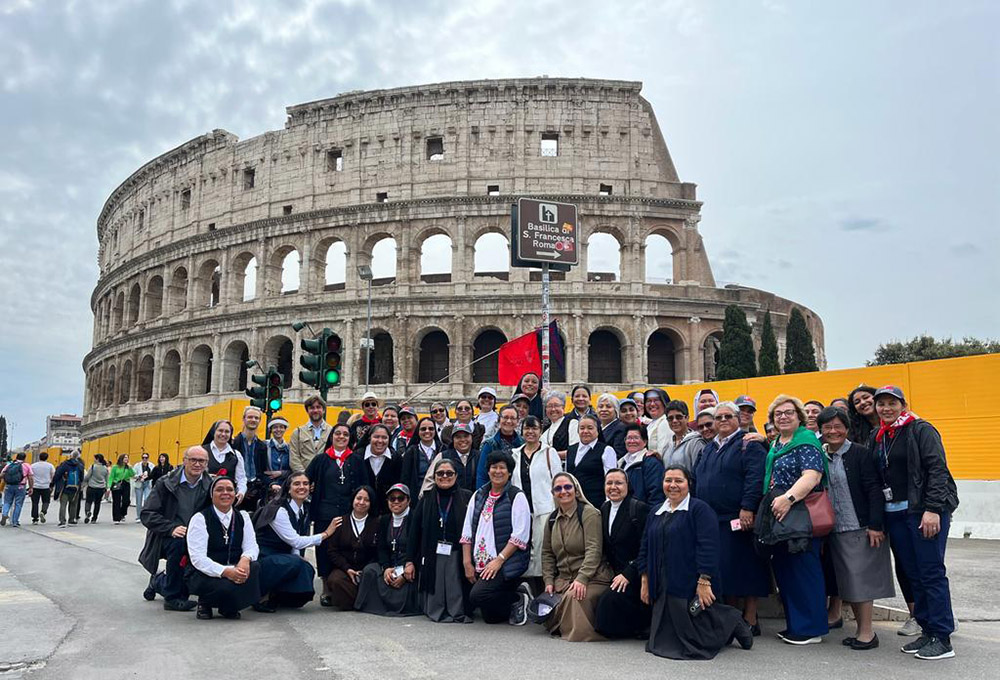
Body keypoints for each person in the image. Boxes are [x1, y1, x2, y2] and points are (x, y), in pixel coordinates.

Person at [871, 385, 958, 660]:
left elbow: (937, 469)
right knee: (912, 574)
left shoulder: (921, 429)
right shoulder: (880, 435)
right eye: (881, 404)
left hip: (922, 512)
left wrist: (932, 509)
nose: (886, 408)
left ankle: (942, 637)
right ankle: (927, 631)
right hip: (895, 514)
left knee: (931, 572)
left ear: (903, 404)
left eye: (891, 403)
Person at [639, 465, 754, 659]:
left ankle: (732, 619)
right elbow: (644, 546)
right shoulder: (656, 511)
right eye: (668, 481)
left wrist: (704, 580)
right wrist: (645, 579)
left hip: (691, 580)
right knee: (664, 637)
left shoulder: (700, 510)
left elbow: (708, 547)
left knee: (696, 640)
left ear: (689, 484)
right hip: (662, 579)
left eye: (679, 481)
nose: (673, 485)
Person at [816, 407, 894, 651]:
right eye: (827, 427)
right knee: (849, 582)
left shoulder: (860, 454)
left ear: (847, 429)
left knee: (863, 582)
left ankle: (867, 633)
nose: (833, 431)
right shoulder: (821, 455)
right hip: (836, 529)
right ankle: (862, 631)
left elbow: (873, 490)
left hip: (860, 527)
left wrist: (875, 525)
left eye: (838, 426)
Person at [693, 401, 769, 635]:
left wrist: (748, 507)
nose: (723, 421)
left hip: (738, 517)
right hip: (713, 519)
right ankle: (731, 618)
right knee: (725, 569)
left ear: (738, 419)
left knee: (748, 566)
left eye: (728, 416)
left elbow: (755, 477)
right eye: (719, 418)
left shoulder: (748, 444)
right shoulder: (708, 447)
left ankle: (751, 618)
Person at [759, 394, 829, 645]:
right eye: (778, 414)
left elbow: (812, 475)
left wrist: (788, 499)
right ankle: (796, 625)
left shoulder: (806, 440)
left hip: (798, 512)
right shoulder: (777, 442)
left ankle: (811, 628)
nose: (783, 417)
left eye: (788, 412)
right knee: (787, 569)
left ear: (799, 417)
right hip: (781, 513)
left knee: (804, 569)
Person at [139, 446, 213, 611]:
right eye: (193, 460)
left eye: (201, 461)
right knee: (178, 545)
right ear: (184, 461)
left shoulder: (211, 485)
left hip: (196, 535)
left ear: (207, 463)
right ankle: (172, 598)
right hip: (168, 535)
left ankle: (158, 581)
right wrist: (171, 528)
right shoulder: (165, 483)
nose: (197, 464)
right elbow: (147, 513)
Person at [461, 450, 531, 624]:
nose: (498, 471)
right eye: (494, 467)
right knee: (492, 618)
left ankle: (516, 599)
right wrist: (467, 562)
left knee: (477, 596)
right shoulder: (478, 495)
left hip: (504, 562)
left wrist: (499, 560)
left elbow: (520, 534)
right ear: (488, 470)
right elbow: (467, 531)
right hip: (480, 561)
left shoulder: (516, 496)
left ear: (509, 472)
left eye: (502, 468)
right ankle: (515, 597)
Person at [541, 472, 613, 641]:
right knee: (545, 606)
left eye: (567, 487)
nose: (563, 491)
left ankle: (580, 632)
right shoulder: (552, 519)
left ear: (576, 490)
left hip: (593, 578)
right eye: (558, 488)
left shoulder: (589, 514)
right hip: (564, 580)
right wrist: (549, 581)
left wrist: (582, 579)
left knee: (574, 598)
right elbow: (546, 554)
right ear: (553, 493)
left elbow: (594, 550)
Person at [254, 471, 340, 611]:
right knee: (295, 563)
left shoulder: (303, 508)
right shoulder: (278, 510)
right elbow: (296, 541)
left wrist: (297, 557)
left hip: (283, 556)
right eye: (297, 484)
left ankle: (278, 594)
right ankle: (261, 595)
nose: (302, 487)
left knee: (306, 571)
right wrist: (326, 533)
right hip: (265, 557)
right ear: (288, 488)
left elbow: (295, 538)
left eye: (305, 483)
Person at [407, 458, 474, 623]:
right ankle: (437, 611)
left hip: (457, 552)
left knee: (454, 584)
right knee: (436, 583)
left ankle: (456, 612)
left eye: (449, 473)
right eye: (440, 473)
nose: (445, 476)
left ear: (456, 475)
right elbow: (414, 532)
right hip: (432, 551)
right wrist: (409, 561)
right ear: (434, 476)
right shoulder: (427, 498)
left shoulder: (466, 497)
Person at [185, 476, 261, 620]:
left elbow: (251, 545)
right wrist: (226, 572)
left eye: (230, 489)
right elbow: (198, 559)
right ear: (211, 494)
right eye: (219, 489)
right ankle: (205, 602)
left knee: (254, 566)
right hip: (206, 572)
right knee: (224, 586)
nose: (225, 493)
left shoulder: (243, 516)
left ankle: (229, 606)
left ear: (235, 494)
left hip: (235, 566)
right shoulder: (200, 518)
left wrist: (245, 560)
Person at [305, 422, 361, 605]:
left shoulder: (356, 460)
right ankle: (326, 587)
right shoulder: (321, 459)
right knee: (324, 549)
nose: (342, 437)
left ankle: (341, 583)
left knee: (343, 547)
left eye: (346, 434)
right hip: (324, 511)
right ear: (332, 437)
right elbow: (305, 480)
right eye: (338, 433)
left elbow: (363, 485)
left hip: (347, 512)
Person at [595, 469, 651, 639]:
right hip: (614, 571)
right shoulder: (604, 508)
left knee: (608, 602)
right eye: (609, 483)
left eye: (618, 483)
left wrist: (629, 573)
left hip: (636, 571)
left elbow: (647, 547)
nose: (613, 487)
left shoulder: (639, 509)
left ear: (628, 485)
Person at [356, 483, 421, 616]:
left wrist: (404, 572)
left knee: (410, 579)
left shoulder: (415, 519)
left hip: (409, 565)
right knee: (369, 571)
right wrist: (386, 568)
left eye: (400, 498)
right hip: (390, 564)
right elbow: (381, 548)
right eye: (392, 498)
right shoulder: (385, 520)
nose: (396, 502)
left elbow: (419, 548)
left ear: (408, 500)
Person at [511, 415, 562, 579]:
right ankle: (525, 588)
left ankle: (542, 585)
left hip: (544, 510)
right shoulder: (515, 454)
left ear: (540, 431)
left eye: (534, 428)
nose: (530, 432)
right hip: (522, 512)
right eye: (527, 428)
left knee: (542, 552)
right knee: (522, 549)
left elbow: (558, 481)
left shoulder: (549, 452)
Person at [325, 485, 379, 610]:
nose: (361, 502)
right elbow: (332, 550)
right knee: (335, 580)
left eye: (366, 500)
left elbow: (378, 551)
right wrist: (347, 568)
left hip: (367, 568)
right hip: (345, 568)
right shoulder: (340, 522)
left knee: (371, 576)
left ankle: (357, 599)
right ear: (353, 500)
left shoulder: (377, 523)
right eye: (358, 498)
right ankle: (361, 600)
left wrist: (365, 569)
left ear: (371, 503)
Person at [566, 415, 617, 507]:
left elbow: (611, 479)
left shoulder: (606, 450)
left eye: (590, 428)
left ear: (597, 430)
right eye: (582, 428)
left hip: (596, 503)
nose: (585, 431)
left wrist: (608, 505)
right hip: (573, 503)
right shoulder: (571, 450)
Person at [421, 422, 480, 495]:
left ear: (471, 438)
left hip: (474, 502)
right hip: (448, 502)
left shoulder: (480, 456)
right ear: (453, 440)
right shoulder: (442, 456)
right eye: (458, 437)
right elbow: (429, 482)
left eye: (466, 436)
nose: (462, 439)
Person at [475, 406, 523, 489]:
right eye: (505, 417)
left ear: (517, 421)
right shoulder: (489, 444)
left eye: (512, 418)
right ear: (499, 420)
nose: (508, 421)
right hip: (495, 490)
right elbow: (482, 475)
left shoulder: (523, 443)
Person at [618, 423, 665, 507]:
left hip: (641, 514)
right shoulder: (621, 463)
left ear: (645, 442)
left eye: (636, 438)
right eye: (629, 438)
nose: (632, 441)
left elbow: (656, 494)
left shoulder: (651, 462)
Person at [360, 424, 402, 516]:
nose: (380, 441)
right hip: (362, 510)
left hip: (387, 512)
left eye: (384, 437)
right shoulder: (358, 457)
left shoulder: (396, 458)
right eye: (376, 437)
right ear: (369, 438)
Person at [201, 420, 248, 500]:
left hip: (227, 498)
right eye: (220, 430)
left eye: (227, 432)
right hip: (204, 497)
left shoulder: (236, 455)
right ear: (214, 432)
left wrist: (241, 492)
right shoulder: (202, 451)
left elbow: (241, 478)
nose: (223, 434)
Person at [231, 406, 267, 509]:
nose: (253, 420)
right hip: (238, 490)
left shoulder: (262, 446)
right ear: (244, 419)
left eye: (256, 418)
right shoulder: (234, 443)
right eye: (250, 417)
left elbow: (262, 470)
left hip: (256, 490)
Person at [289, 395, 332, 472]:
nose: (315, 410)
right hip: (304, 480)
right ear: (307, 411)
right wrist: (305, 477)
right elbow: (294, 458)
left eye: (318, 407)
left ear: (324, 410)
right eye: (312, 408)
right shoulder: (297, 433)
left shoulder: (332, 431)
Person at [401, 417, 442, 493]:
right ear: (418, 431)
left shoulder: (443, 450)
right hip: (417, 497)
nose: (427, 431)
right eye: (423, 429)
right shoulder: (411, 452)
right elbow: (405, 478)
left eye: (431, 429)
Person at [662, 400, 707, 470]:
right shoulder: (667, 446)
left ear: (687, 418)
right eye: (670, 418)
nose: (674, 421)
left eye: (679, 417)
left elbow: (700, 472)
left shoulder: (696, 443)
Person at [540, 391, 579, 460]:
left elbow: (575, 451)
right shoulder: (545, 429)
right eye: (549, 406)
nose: (553, 409)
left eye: (556, 405)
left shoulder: (572, 423)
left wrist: (550, 455)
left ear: (563, 408)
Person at [52, 451, 85, 527]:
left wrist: (53, 483)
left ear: (70, 455)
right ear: (78, 457)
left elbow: (58, 474)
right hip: (76, 487)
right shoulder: (80, 465)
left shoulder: (65, 464)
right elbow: (81, 478)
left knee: (63, 504)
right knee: (73, 504)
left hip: (65, 486)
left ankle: (62, 521)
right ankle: (72, 520)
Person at [259, 417, 292, 491]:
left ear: (285, 429)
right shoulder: (264, 446)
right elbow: (260, 470)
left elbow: (293, 470)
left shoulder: (290, 448)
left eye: (281, 427)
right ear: (271, 430)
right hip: (268, 488)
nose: (278, 430)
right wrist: (271, 484)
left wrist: (281, 473)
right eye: (275, 427)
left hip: (285, 488)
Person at [1, 452, 33, 527]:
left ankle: (5, 514)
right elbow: (30, 477)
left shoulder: (9, 465)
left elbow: (2, 475)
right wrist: (31, 487)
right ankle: (15, 522)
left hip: (9, 486)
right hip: (21, 486)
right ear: (24, 458)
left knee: (7, 502)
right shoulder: (26, 465)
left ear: (16, 457)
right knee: (18, 504)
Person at [847, 385, 879, 450]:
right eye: (857, 402)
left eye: (866, 397)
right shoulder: (855, 431)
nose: (863, 402)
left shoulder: (894, 422)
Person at [596, 393, 627, 457]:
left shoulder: (621, 428)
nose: (604, 410)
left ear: (616, 410)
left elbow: (618, 454)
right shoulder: (596, 427)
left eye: (608, 406)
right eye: (601, 406)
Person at [643, 388, 671, 457]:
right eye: (649, 401)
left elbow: (663, 452)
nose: (652, 404)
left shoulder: (665, 422)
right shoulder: (651, 424)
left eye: (656, 400)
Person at [108, 453, 135, 523]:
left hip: (126, 483)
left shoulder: (128, 467)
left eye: (127, 458)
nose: (126, 459)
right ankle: (116, 518)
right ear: (121, 458)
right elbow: (111, 477)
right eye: (125, 457)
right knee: (116, 501)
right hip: (117, 483)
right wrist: (108, 486)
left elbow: (132, 474)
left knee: (126, 501)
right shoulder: (115, 467)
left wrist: (130, 468)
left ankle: (122, 513)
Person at [30, 451, 55, 525]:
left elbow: (30, 475)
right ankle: (43, 512)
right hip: (46, 486)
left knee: (35, 503)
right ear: (47, 458)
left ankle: (35, 519)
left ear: (39, 457)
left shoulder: (33, 466)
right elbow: (53, 475)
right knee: (46, 501)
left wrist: (30, 486)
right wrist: (51, 485)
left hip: (35, 486)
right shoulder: (50, 466)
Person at [83, 454, 110, 524]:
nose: (94, 460)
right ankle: (94, 518)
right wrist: (107, 487)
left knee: (88, 502)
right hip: (101, 488)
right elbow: (107, 479)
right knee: (97, 503)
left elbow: (87, 476)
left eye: (95, 458)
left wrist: (84, 482)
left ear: (97, 459)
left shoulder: (93, 467)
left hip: (91, 487)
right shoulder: (105, 468)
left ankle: (88, 512)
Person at [132, 452, 154, 520]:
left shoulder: (151, 465)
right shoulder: (137, 465)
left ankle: (145, 515)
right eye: (143, 457)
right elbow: (133, 474)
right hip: (139, 483)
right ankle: (139, 516)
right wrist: (139, 476)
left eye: (146, 457)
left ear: (148, 458)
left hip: (147, 483)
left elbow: (153, 474)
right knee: (139, 500)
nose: (144, 459)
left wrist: (148, 477)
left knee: (147, 499)